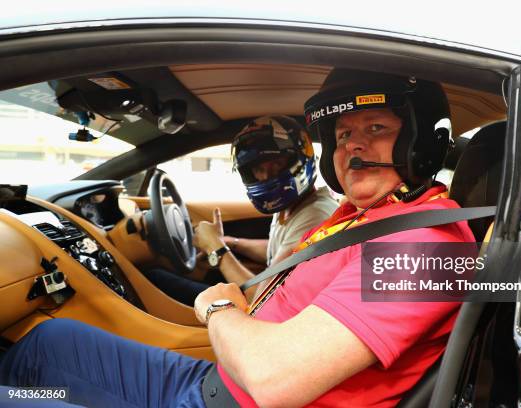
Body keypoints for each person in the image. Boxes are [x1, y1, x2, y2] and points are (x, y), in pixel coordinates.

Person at [0, 69, 475, 407]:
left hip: (236, 390)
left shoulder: (424, 249)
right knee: (48, 341)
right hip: (222, 376)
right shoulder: (364, 217)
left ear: (421, 140)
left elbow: (274, 382)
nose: (353, 145)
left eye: (376, 128)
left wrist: (219, 308)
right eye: (344, 132)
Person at [145, 115, 338, 305]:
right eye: (257, 170)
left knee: (155, 278)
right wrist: (232, 243)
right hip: (270, 304)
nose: (265, 178)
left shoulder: (316, 216)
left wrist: (216, 248)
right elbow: (280, 251)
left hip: (268, 310)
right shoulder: (294, 206)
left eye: (276, 165)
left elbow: (262, 299)